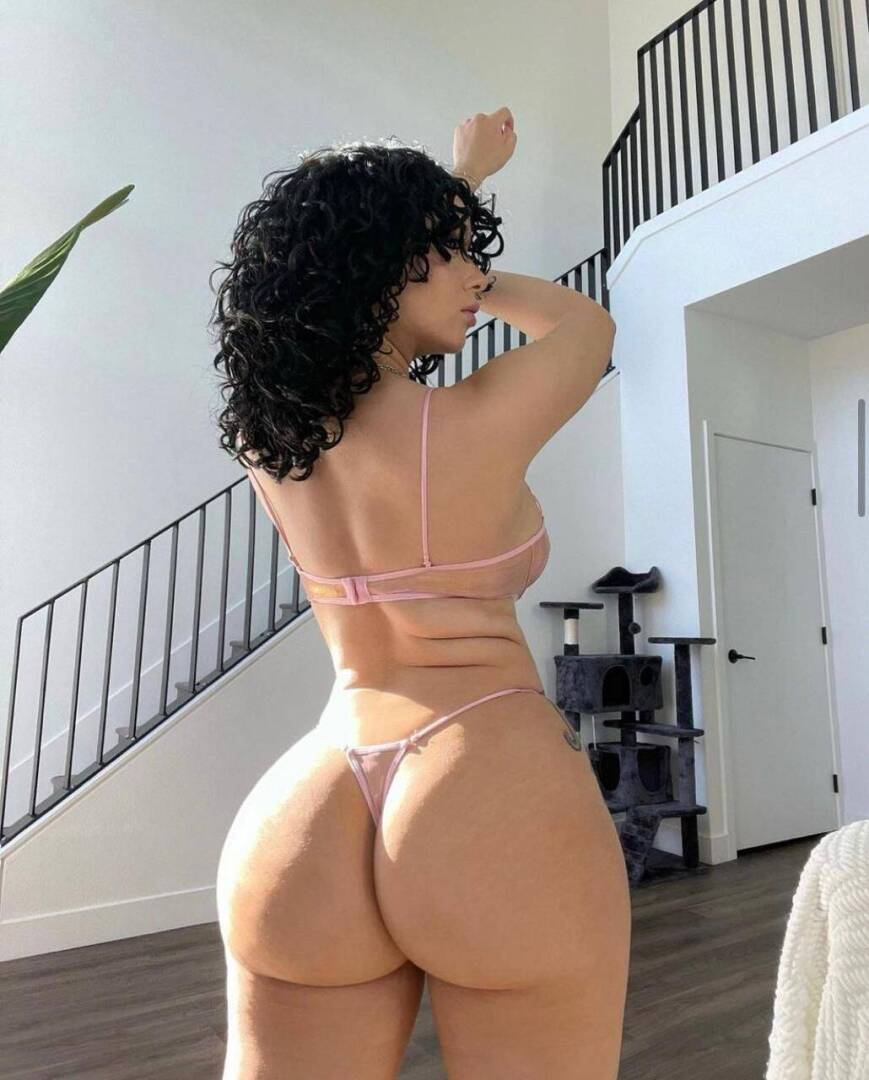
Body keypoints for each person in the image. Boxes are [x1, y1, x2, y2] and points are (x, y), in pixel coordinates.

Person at [210, 106, 628, 1079]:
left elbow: (358, 297)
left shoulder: (273, 442)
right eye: (451, 254)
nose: (473, 277)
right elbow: (583, 323)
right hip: (482, 772)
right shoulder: (471, 422)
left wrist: (443, 206)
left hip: (314, 799)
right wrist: (457, 215)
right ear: (383, 265)